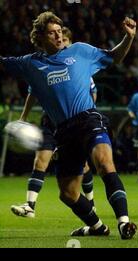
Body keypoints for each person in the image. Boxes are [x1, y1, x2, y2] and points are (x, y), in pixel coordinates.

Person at [0, 11, 137, 239]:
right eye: (52, 33)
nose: (58, 36)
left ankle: (124, 222)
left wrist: (129, 37)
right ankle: (98, 227)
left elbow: (115, 57)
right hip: (63, 132)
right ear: (40, 37)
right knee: (68, 193)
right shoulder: (30, 64)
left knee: (104, 163)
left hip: (88, 119)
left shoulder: (80, 51)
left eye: (59, 32)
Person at [10, 27, 97, 218]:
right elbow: (33, 93)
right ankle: (30, 205)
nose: (61, 41)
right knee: (40, 161)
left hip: (75, 123)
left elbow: (92, 94)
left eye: (65, 39)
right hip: (50, 122)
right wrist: (23, 118)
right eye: (58, 37)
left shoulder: (78, 66)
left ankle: (90, 203)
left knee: (83, 167)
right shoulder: (41, 66)